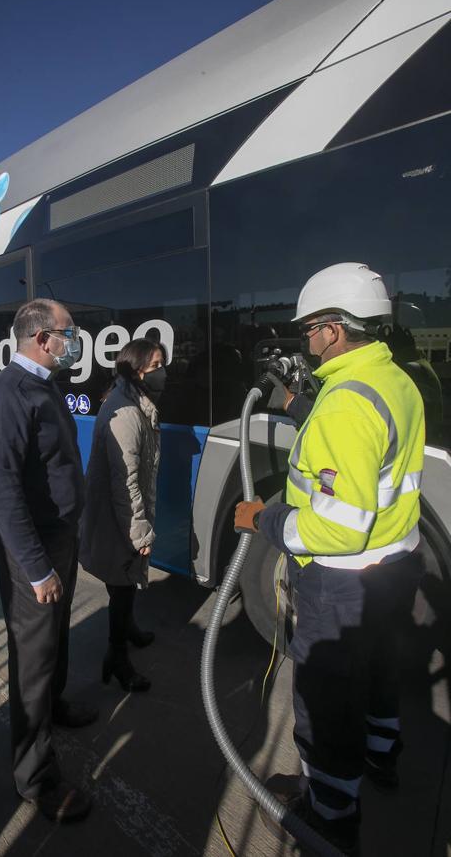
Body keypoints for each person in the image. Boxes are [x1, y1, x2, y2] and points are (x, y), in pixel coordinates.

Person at [234, 263, 425, 856]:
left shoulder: (345, 403)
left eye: (310, 328)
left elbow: (338, 529)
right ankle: (382, 757)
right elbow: (365, 447)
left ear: (337, 330)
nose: (305, 339)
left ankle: (330, 814)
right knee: (379, 674)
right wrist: (297, 407)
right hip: (394, 568)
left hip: (341, 582)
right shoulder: (394, 380)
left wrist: (262, 519)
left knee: (327, 698)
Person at [0, 298, 97, 824]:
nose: (75, 342)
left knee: (56, 638)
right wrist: (38, 568)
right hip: (35, 552)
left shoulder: (44, 385)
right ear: (43, 338)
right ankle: (36, 777)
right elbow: (1, 496)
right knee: (33, 657)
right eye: (69, 333)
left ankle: (56, 706)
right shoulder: (6, 397)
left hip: (59, 540)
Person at [79, 338, 166, 693]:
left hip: (118, 516)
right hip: (118, 519)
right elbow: (125, 482)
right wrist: (140, 533)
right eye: (156, 364)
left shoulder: (134, 401)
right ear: (138, 368)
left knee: (124, 586)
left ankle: (127, 630)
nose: (163, 372)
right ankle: (116, 658)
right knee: (122, 584)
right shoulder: (127, 412)